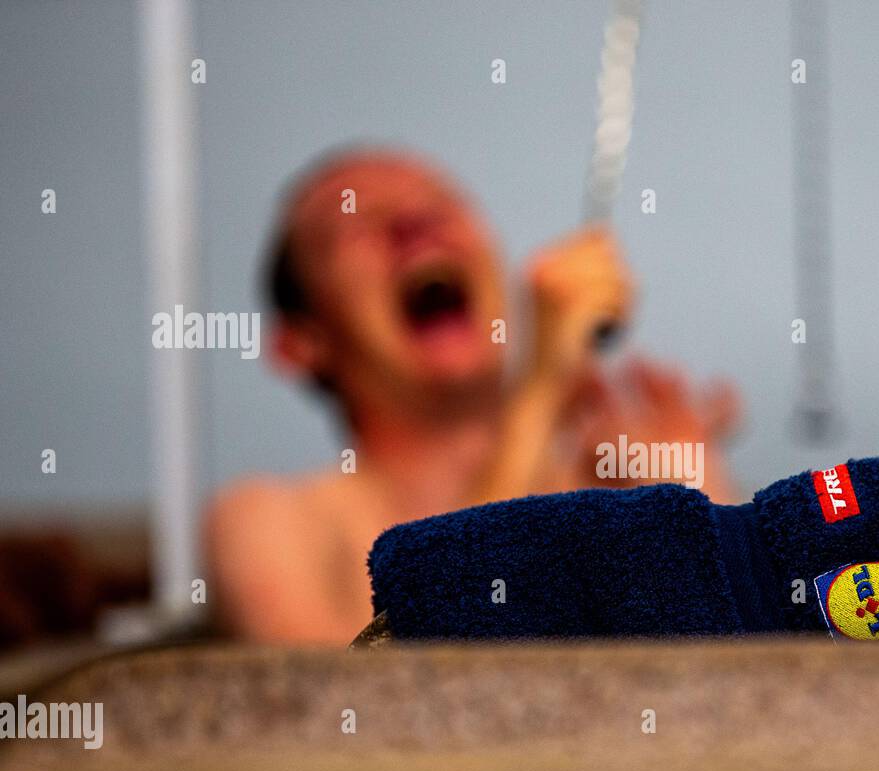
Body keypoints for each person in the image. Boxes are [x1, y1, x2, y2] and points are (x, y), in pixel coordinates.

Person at [206, 149, 740, 643]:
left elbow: (746, 677)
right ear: (301, 343)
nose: (415, 225)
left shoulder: (620, 485)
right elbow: (371, 711)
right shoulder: (271, 521)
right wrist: (541, 391)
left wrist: (689, 499)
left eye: (440, 207)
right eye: (356, 223)